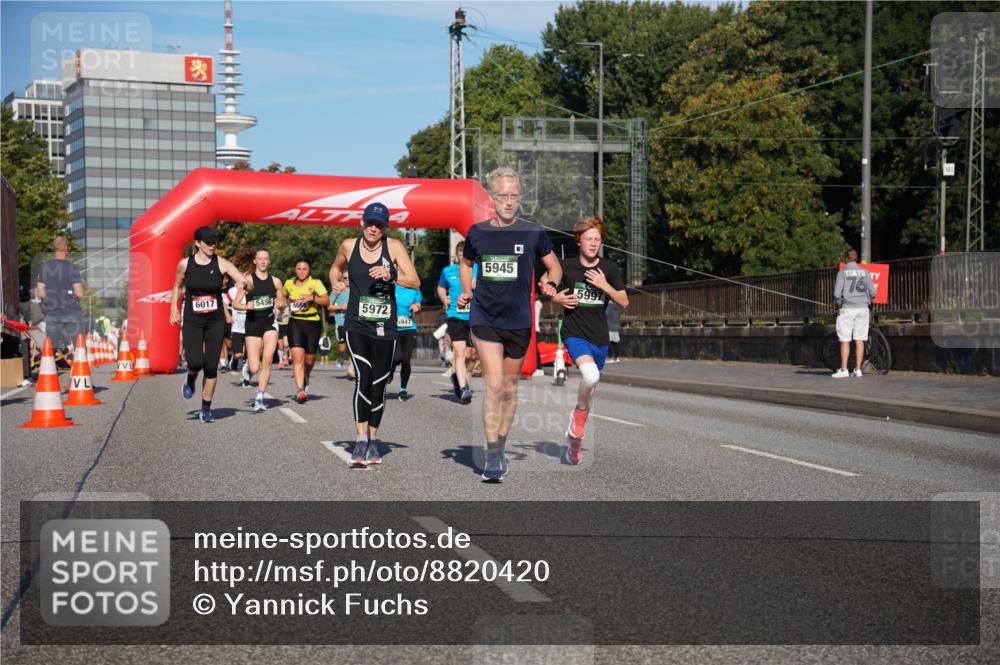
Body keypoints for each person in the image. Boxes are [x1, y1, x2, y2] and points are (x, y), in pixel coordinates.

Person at [458, 167, 561, 481]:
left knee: (509, 388)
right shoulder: (477, 233)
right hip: (485, 316)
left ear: (521, 197)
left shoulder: (533, 232)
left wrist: (551, 283)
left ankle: (500, 444)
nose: (508, 201)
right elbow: (466, 262)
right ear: (492, 197)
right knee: (494, 384)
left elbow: (553, 267)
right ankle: (491, 454)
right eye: (503, 196)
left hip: (518, 320)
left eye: (514, 196)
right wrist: (466, 290)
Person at [329, 202, 420, 466]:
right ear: (362, 223)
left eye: (379, 225)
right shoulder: (349, 245)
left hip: (385, 326)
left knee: (379, 386)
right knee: (364, 377)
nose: (373, 228)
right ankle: (359, 441)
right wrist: (335, 279)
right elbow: (335, 267)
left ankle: (372, 440)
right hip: (356, 324)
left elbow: (414, 280)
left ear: (384, 228)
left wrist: (391, 274)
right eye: (370, 223)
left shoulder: (394, 248)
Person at [545, 217, 629, 465]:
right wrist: (556, 299)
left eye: (597, 239)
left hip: (599, 336)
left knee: (591, 389)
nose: (593, 243)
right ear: (579, 240)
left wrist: (605, 285)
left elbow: (623, 301)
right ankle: (577, 418)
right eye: (589, 238)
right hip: (574, 332)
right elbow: (548, 287)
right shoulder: (566, 266)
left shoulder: (609, 268)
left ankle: (575, 440)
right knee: (590, 376)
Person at [170, 226, 249, 422]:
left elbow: (246, 281)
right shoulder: (185, 265)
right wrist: (174, 307)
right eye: (208, 242)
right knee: (195, 362)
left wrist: (244, 284)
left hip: (215, 320)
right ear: (197, 243)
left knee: (211, 366)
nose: (213, 245)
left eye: (215, 242)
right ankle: (190, 376)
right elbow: (177, 286)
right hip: (192, 320)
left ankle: (206, 409)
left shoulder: (222, 264)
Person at [234, 248, 286, 411]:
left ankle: (260, 396)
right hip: (252, 325)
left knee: (269, 358)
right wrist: (246, 306)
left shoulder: (276, 281)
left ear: (269, 261)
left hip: (270, 323)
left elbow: (282, 303)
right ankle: (248, 367)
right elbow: (235, 304)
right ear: (255, 261)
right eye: (260, 259)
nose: (263, 261)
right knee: (255, 368)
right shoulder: (247, 280)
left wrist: (280, 305)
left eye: (266, 258)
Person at [284, 257, 330, 403]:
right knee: (297, 358)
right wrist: (283, 304)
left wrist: (313, 298)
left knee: (309, 360)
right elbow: (283, 298)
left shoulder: (315, 283)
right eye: (299, 268)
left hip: (312, 323)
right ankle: (300, 390)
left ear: (309, 270)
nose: (302, 271)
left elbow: (326, 301)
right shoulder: (288, 283)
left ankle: (306, 376)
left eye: (305, 269)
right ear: (294, 269)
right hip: (295, 323)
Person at [436, 241, 477, 403]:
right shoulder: (448, 271)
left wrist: (477, 285)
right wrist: (443, 297)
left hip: (475, 316)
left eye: (465, 251)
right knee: (460, 352)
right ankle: (464, 388)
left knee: (472, 355)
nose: (462, 253)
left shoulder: (478, 270)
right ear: (457, 253)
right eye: (460, 251)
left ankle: (458, 378)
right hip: (455, 315)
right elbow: (440, 287)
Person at [36, 236, 84, 365]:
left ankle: (48, 377)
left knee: (50, 348)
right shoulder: (72, 268)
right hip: (72, 312)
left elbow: (40, 293)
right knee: (79, 345)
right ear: (66, 248)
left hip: (53, 312)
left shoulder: (45, 267)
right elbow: (79, 293)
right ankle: (80, 378)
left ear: (54, 248)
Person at [832, 248, 876, 378]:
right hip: (863, 309)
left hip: (847, 309)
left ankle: (844, 369)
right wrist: (866, 300)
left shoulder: (842, 272)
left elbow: (836, 294)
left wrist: (839, 302)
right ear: (856, 258)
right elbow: (873, 292)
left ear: (846, 259)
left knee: (845, 339)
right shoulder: (864, 272)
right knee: (859, 339)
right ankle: (858, 370)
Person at [389, 282, 422, 401]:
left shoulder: (414, 288)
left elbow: (418, 304)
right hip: (393, 329)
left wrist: (416, 307)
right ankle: (391, 369)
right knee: (396, 357)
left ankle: (403, 389)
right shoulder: (391, 286)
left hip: (409, 328)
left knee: (406, 360)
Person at [328, 275, 353, 379]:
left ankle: (351, 370)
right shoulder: (337, 291)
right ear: (342, 279)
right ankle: (341, 355)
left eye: (349, 277)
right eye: (345, 278)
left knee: (353, 346)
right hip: (340, 322)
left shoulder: (357, 290)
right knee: (342, 347)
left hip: (353, 323)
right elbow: (329, 306)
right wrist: (341, 307)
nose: (347, 279)